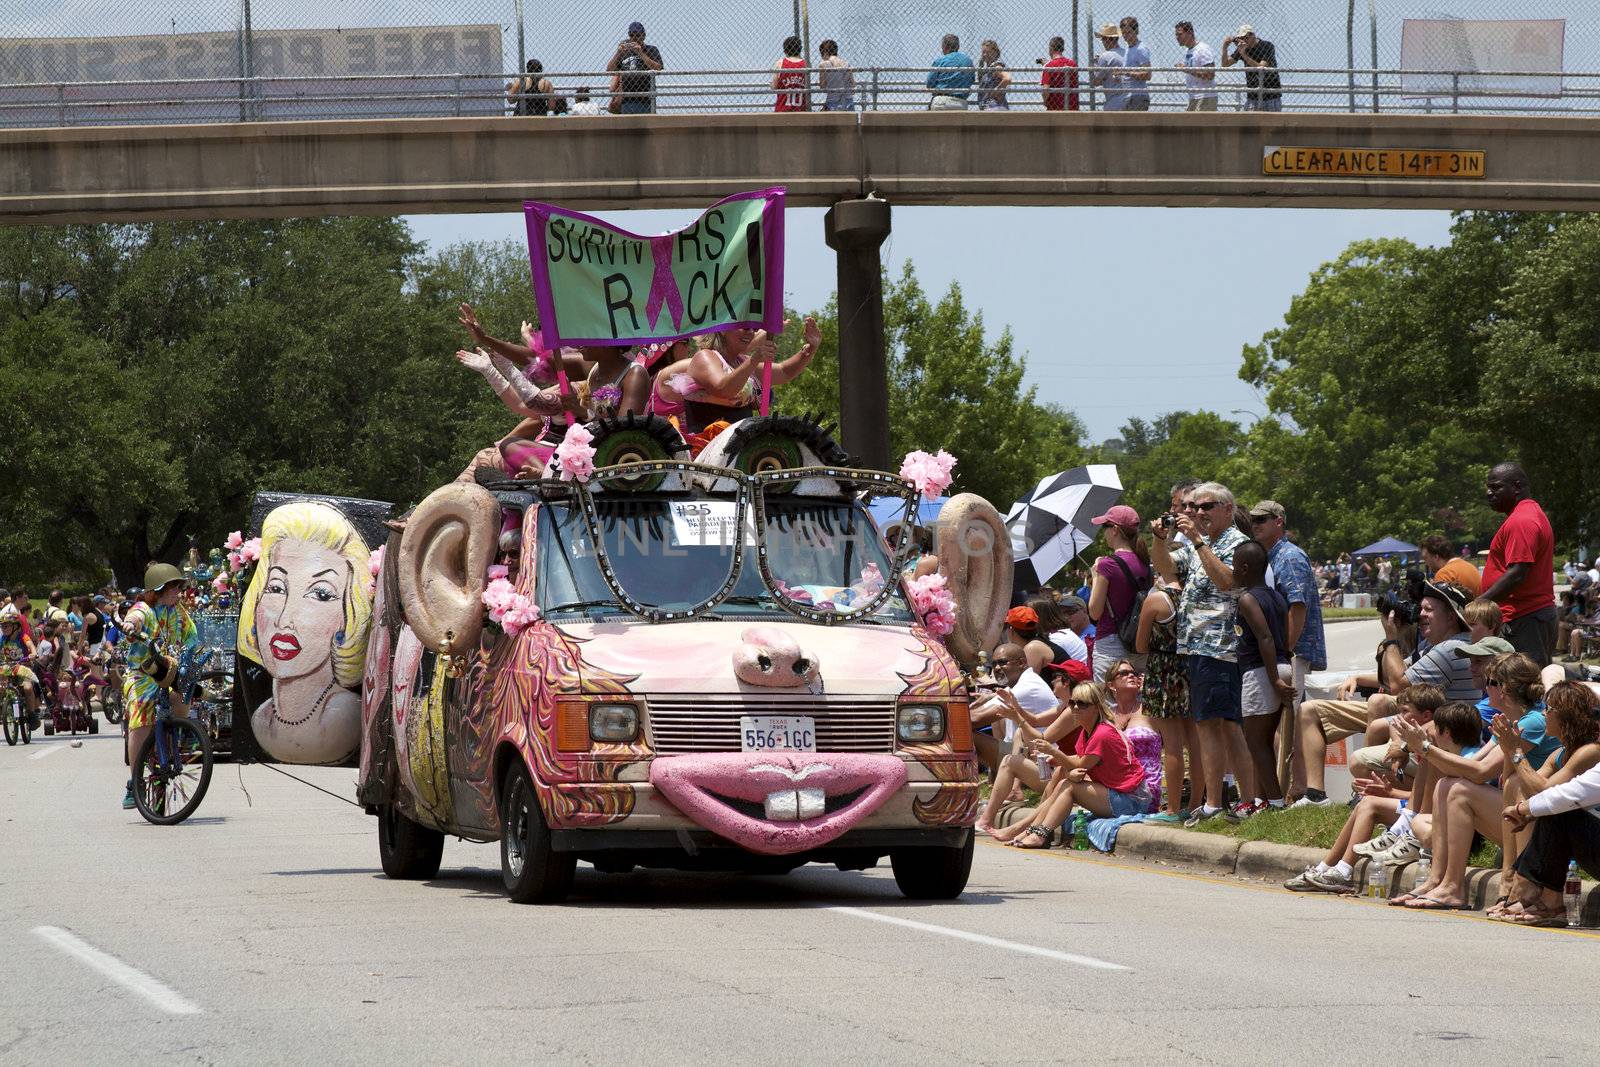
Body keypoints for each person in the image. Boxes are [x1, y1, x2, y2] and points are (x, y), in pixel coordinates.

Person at [1393, 652, 1556, 910]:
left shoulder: (1531, 721)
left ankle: (1453, 887)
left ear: (1504, 689)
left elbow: (1481, 772)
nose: (1483, 684)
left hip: (1540, 822)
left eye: (1491, 681)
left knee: (1458, 789)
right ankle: (1438, 880)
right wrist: (1425, 748)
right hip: (1517, 814)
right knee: (1447, 783)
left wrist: (1425, 747)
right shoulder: (1507, 720)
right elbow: (1470, 764)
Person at [1295, 579, 1476, 806]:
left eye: (1429, 610)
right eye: (1421, 608)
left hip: (1432, 729)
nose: (1420, 615)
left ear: (1451, 617)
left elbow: (1399, 683)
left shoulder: (1449, 649)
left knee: (1375, 713)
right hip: (1417, 715)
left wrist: (1391, 639)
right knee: (1310, 710)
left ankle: (1370, 792)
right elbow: (1395, 675)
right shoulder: (1434, 646)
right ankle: (1315, 795)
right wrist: (1358, 677)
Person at [1286, 692, 1471, 894]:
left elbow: (1440, 798)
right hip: (1421, 813)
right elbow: (1422, 796)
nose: (1399, 717)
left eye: (1404, 712)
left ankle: (1345, 871)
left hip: (1438, 819)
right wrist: (1390, 791)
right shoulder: (1429, 751)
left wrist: (1394, 788)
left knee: (1370, 805)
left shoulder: (1445, 753)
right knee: (1366, 804)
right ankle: (1325, 868)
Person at [237, 502, 373, 765]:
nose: (286, 619)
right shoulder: (261, 716)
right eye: (276, 588)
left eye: (320, 594)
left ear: (351, 613)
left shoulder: (343, 717)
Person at [1150, 481, 1254, 823]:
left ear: (1227, 508)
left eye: (1206, 506)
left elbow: (1228, 582)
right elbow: (1166, 568)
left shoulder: (1236, 543)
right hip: (1197, 647)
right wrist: (1159, 539)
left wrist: (1195, 539)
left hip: (1219, 646)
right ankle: (1239, 801)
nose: (1197, 513)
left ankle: (1217, 804)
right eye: (1193, 507)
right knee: (1217, 725)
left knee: (1218, 725)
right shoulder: (1204, 543)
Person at [1489, 679, 1600, 920]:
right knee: (1518, 786)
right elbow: (1514, 784)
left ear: (1566, 716)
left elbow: (1549, 793)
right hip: (1588, 842)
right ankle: (1525, 888)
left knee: (1559, 810)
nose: (1543, 714)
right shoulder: (1559, 752)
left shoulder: (1590, 751)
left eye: (1548, 709)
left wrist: (1518, 752)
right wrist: (1511, 749)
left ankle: (1528, 890)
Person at [1002, 679, 1158, 848]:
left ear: (1096, 707)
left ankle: (1038, 833)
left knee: (1070, 787)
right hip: (1118, 792)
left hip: (1133, 800)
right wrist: (1059, 761)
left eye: (1082, 704)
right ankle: (1032, 830)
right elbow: (1078, 763)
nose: (1075, 708)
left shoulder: (1102, 734)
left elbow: (1078, 765)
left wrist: (1054, 752)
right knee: (1063, 775)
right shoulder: (1088, 731)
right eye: (1072, 703)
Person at [120, 564, 199, 810]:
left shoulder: (178, 612)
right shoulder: (145, 608)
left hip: (169, 670)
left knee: (184, 697)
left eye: (179, 587)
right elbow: (135, 618)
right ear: (158, 589)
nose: (178, 592)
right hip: (142, 674)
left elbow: (192, 637)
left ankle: (174, 734)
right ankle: (135, 783)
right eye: (174, 587)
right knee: (141, 709)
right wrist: (130, 626)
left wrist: (191, 656)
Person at [975, 659, 1085, 835]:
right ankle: (1011, 795)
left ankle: (987, 820)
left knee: (1010, 761)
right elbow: (1034, 720)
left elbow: (1042, 739)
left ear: (1067, 681)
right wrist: (1016, 706)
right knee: (1018, 738)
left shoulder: (1074, 710)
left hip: (1070, 774)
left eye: (1056, 677)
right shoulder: (1064, 706)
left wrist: (1016, 717)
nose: (1051, 680)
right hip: (1061, 770)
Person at [680, 318, 820, 435]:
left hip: (741, 445)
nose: (751, 333)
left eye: (754, 328)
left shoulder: (742, 362)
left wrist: (811, 348)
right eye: (746, 327)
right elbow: (723, 389)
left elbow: (784, 372)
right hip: (707, 449)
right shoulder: (705, 357)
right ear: (723, 328)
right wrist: (754, 360)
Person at [1235, 539, 1295, 810]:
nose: (1233, 571)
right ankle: (1264, 801)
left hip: (1262, 672)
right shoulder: (1278, 597)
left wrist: (1274, 680)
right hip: (1281, 665)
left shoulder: (1248, 599)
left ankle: (1276, 802)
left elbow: (1266, 638)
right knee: (1264, 741)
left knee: (1255, 741)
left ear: (1245, 567)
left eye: (1235, 566)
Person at [1135, 579, 1199, 822]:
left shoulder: (1158, 599)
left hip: (1164, 670)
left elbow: (1140, 645)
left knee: (1172, 744)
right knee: (1195, 743)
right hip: (1190, 668)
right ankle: (1195, 804)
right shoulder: (1196, 595)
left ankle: (1172, 808)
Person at [1482, 462, 1557, 666]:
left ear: (1516, 487)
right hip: (1531, 617)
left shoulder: (1521, 520)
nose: (1489, 493)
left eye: (1496, 487)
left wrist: (1479, 603)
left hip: (1524, 618)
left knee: (1524, 686)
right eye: (1488, 487)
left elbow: (1518, 572)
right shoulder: (1528, 514)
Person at [968, 642, 1058, 788]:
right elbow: (978, 712)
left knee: (965, 734)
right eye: (994, 664)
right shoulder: (1018, 684)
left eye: (1002, 662)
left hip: (1039, 763)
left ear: (1022, 663)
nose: (997, 668)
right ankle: (999, 776)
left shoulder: (1026, 688)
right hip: (1023, 753)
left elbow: (974, 720)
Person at [1086, 504, 1150, 679]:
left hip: (1111, 641)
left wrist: (1095, 576)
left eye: (1104, 527)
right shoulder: (1144, 561)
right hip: (1139, 640)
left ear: (1114, 529)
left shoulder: (1107, 564)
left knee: (1109, 701)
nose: (1103, 532)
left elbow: (1095, 612)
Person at [607, 22, 664, 115]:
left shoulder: (651, 50)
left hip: (645, 98)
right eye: (631, 35)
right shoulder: (624, 53)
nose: (634, 38)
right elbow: (609, 70)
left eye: (637, 35)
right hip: (626, 99)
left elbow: (658, 68)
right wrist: (618, 53)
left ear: (644, 35)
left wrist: (640, 53)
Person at [1221, 25, 1280, 111]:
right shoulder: (1242, 49)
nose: (1244, 40)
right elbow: (1225, 64)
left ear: (1253, 35)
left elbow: (1261, 67)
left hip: (1270, 94)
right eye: (1241, 38)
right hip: (1253, 95)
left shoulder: (1267, 46)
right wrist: (1225, 47)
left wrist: (1244, 54)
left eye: (1246, 37)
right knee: (1249, 123)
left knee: (1272, 123)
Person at [0, 603, 40, 725]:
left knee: (28, 688)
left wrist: (33, 653)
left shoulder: (23, 636)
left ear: (16, 626)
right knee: (1, 688)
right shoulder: (3, 639)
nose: (3, 628)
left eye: (6, 626)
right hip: (8, 667)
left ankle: (32, 714)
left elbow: (30, 646)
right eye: (2, 626)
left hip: (23, 667)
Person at [1174, 21, 1217, 111]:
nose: (1177, 38)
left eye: (1180, 34)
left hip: (1205, 97)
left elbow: (1210, 74)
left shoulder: (1202, 49)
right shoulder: (1189, 51)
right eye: (1176, 35)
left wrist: (1187, 69)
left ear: (1189, 33)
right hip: (1194, 97)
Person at [925, 34, 975, 110]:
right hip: (961, 103)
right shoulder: (968, 61)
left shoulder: (940, 61)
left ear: (944, 47)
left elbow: (929, 83)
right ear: (958, 46)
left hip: (942, 101)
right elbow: (971, 80)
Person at [1091, 23, 1128, 111]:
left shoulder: (1105, 56)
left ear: (1107, 39)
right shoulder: (1128, 53)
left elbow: (1095, 82)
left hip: (1116, 102)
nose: (1103, 42)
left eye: (1102, 39)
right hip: (1133, 98)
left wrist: (1095, 65)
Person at [1118, 17, 1152, 111]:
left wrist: (1126, 73)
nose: (1125, 35)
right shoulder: (1128, 49)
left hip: (1138, 96)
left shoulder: (1141, 49)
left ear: (1136, 31)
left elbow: (1148, 75)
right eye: (1123, 33)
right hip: (1128, 95)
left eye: (1128, 32)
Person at [1039, 35, 1079, 111]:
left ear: (1051, 49)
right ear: (1062, 49)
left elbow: (1045, 90)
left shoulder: (1049, 66)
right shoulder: (1073, 64)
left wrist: (1045, 101)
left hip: (1055, 108)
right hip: (1072, 107)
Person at [773, 36, 810, 112]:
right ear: (800, 49)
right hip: (800, 109)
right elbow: (807, 85)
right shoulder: (805, 64)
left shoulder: (780, 63)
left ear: (785, 50)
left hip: (783, 108)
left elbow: (774, 86)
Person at [817, 39, 855, 112]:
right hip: (849, 101)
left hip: (833, 102)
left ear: (825, 52)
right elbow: (853, 84)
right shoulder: (846, 63)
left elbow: (822, 86)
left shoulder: (823, 64)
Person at [976, 39, 1012, 111]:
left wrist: (995, 91)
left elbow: (1007, 78)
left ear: (995, 53)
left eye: (988, 52)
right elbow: (980, 79)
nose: (985, 55)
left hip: (994, 106)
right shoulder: (988, 68)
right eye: (983, 52)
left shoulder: (996, 66)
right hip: (992, 107)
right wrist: (981, 63)